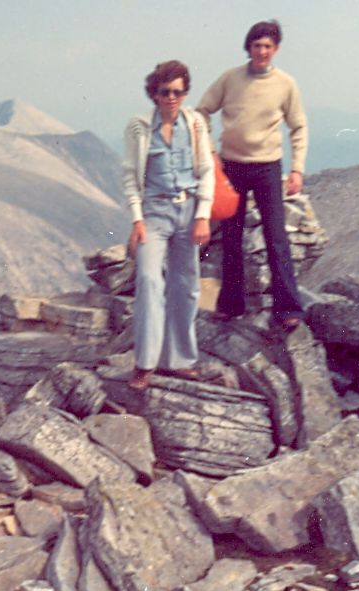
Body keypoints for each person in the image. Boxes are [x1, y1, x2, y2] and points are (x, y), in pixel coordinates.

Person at [197, 19, 308, 329]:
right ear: (249, 47)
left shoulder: (286, 84)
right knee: (231, 238)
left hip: (267, 167)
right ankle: (231, 305)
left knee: (276, 237)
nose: (262, 51)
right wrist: (209, 150)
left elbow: (298, 126)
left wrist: (297, 168)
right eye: (257, 45)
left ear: (276, 49)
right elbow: (201, 111)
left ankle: (287, 309)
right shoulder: (230, 79)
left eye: (268, 46)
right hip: (230, 166)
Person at [122, 60, 215, 390]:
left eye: (178, 91)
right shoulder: (139, 127)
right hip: (155, 213)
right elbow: (131, 178)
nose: (172, 98)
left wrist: (202, 215)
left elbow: (206, 171)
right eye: (165, 92)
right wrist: (137, 219)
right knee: (148, 279)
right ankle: (145, 363)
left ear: (185, 93)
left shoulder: (195, 125)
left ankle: (179, 360)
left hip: (188, 211)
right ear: (154, 93)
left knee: (186, 284)